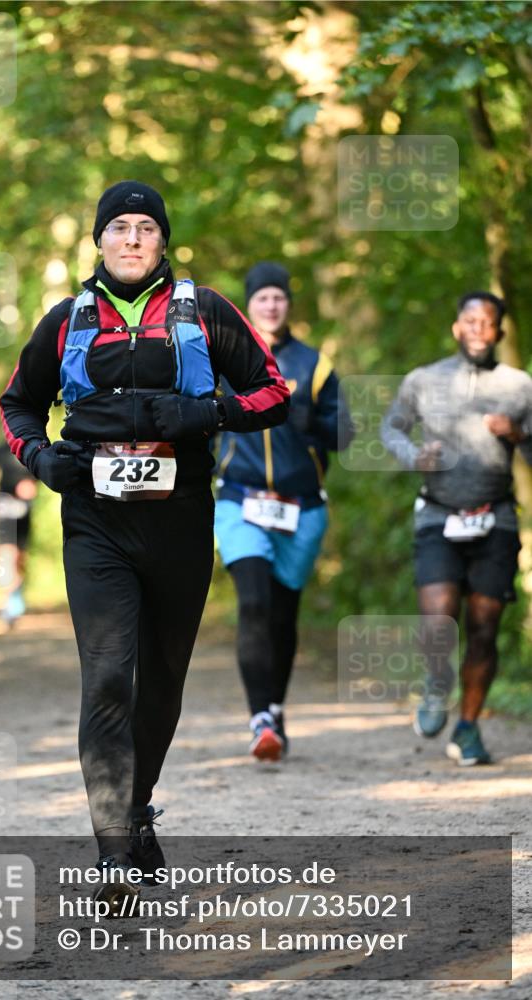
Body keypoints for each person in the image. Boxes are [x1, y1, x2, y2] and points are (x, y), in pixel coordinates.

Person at [0, 182, 289, 906]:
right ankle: (112, 856)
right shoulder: (66, 320)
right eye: (118, 228)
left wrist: (207, 413)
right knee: (104, 677)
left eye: (145, 228)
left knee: (160, 683)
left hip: (180, 516)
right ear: (98, 242)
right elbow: (18, 406)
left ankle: (135, 807)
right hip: (95, 521)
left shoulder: (205, 310)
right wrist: (41, 459)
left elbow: (274, 392)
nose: (131, 239)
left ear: (163, 242)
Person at [381, 291, 532, 765]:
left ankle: (467, 727)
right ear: (456, 327)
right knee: (439, 616)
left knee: (484, 630)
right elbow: (392, 428)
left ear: (500, 332)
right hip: (438, 514)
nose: (478, 329)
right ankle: (436, 681)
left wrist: (518, 434)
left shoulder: (520, 386)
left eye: (487, 322)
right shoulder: (424, 380)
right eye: (470, 320)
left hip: (496, 519)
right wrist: (413, 456)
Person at [214, 262, 353, 761]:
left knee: (282, 615)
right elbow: (201, 422)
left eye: (279, 297)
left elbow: (344, 434)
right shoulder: (224, 360)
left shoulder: (313, 366)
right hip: (240, 500)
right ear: (248, 304)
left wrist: (299, 416)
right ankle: (260, 722)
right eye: (262, 298)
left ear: (288, 304)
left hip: (301, 509)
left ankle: (275, 704)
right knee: (252, 602)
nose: (271, 305)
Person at [0, 440, 38, 626]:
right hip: (5, 505)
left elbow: (44, 469)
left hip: (24, 508)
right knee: (7, 553)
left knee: (20, 556)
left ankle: (16, 594)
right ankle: (10, 602)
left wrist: (32, 484)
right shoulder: (0, 450)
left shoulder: (34, 445)